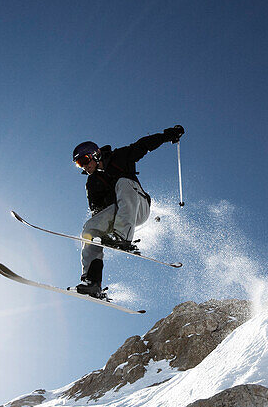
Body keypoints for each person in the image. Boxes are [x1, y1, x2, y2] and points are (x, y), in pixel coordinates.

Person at [72, 125, 184, 297]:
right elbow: (97, 210)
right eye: (80, 164)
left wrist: (168, 135)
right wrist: (100, 234)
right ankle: (92, 282)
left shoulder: (119, 157)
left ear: (95, 154)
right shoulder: (92, 183)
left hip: (139, 207)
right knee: (90, 228)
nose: (84, 166)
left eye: (85, 160)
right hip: (117, 215)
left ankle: (124, 237)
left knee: (123, 182)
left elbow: (143, 145)